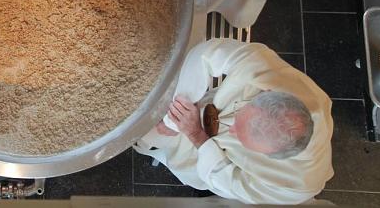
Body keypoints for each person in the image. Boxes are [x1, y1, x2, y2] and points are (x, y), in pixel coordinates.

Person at [135, 39, 333, 205]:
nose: (231, 130)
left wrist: (196, 134)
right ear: (266, 92)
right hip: (203, 110)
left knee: (151, 137)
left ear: (271, 156)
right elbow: (207, 53)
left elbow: (226, 179)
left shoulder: (292, 186)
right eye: (240, 119)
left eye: (242, 140)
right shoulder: (266, 70)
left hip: (208, 154)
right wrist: (174, 117)